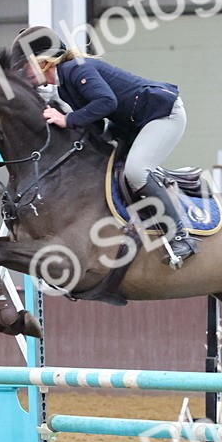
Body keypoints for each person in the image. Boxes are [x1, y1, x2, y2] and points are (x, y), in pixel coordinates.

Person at [12, 26, 198, 265]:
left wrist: (67, 120)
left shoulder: (77, 69)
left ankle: (180, 237)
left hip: (162, 115)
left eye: (24, 66)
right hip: (133, 122)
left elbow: (106, 102)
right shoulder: (65, 85)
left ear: (43, 62)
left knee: (136, 171)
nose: (22, 75)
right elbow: (96, 122)